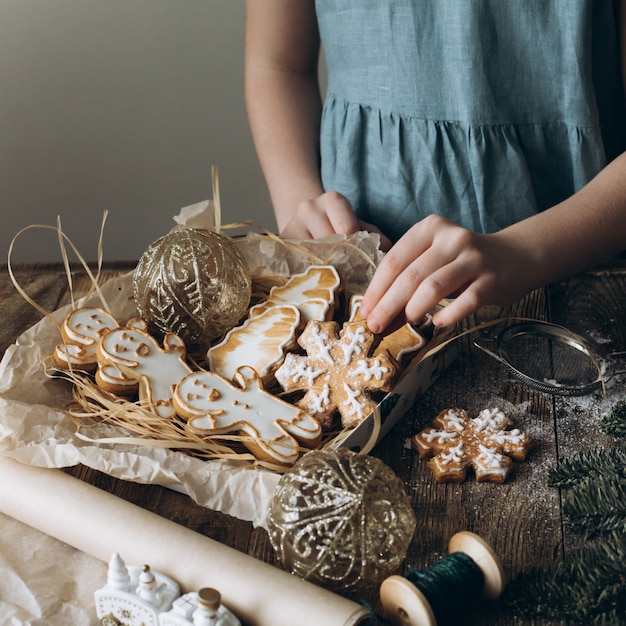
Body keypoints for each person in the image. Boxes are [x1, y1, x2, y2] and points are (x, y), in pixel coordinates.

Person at [244, 1, 626, 332]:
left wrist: (524, 252)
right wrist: (302, 206)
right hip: (355, 277)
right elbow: (278, 66)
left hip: (576, 280)